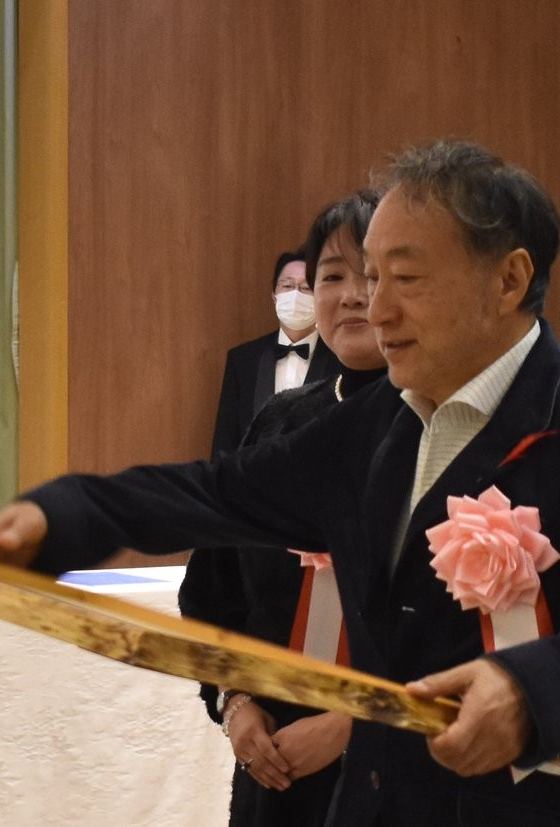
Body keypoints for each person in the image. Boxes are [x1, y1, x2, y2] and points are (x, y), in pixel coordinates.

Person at [0, 139, 560, 825]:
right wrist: (65, 512)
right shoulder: (370, 428)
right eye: (369, 278)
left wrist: (533, 689)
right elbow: (217, 492)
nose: (376, 310)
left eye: (406, 279)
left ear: (508, 280)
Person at [180, 189, 386, 826]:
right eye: (331, 276)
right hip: (274, 768)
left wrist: (352, 727)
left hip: (393, 773)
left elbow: (452, 636)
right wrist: (236, 703)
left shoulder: (436, 429)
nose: (350, 296)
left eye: (372, 276)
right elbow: (212, 588)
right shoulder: (278, 424)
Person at [210, 250, 341, 457]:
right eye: (287, 286)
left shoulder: (342, 360)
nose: (295, 294)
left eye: (306, 287)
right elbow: (225, 441)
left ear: (320, 298)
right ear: (274, 296)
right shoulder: (243, 360)